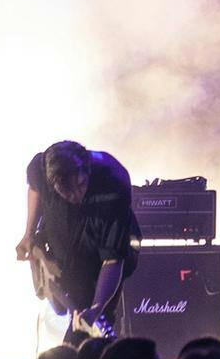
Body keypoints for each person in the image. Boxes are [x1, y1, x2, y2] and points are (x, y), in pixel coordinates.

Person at [15, 140, 140, 342]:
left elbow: (113, 260)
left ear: (87, 171)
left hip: (102, 241)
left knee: (90, 320)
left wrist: (98, 307)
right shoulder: (40, 167)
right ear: (52, 183)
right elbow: (34, 188)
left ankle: (83, 358)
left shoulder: (114, 181)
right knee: (65, 302)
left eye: (81, 185)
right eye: (66, 190)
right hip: (63, 241)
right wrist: (28, 233)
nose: (76, 195)